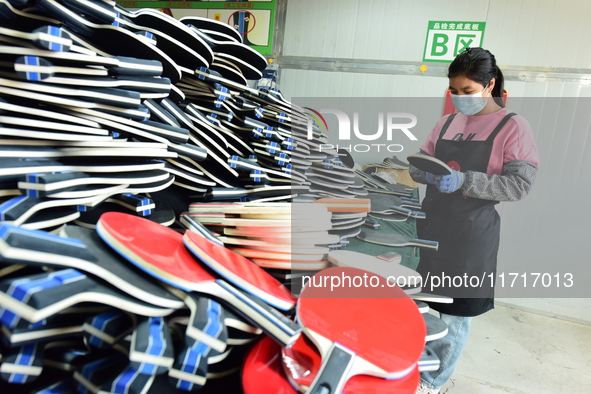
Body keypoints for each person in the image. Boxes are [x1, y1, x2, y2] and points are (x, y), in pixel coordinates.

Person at [410, 47, 539, 394]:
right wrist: (429, 175)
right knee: (417, 304)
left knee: (454, 315)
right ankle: (412, 363)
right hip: (431, 225)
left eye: (467, 91)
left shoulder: (514, 127)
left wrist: (466, 180)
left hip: (470, 236)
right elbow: (416, 163)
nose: (459, 99)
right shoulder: (447, 122)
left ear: (489, 84)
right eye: (454, 91)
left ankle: (432, 381)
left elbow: (519, 184)